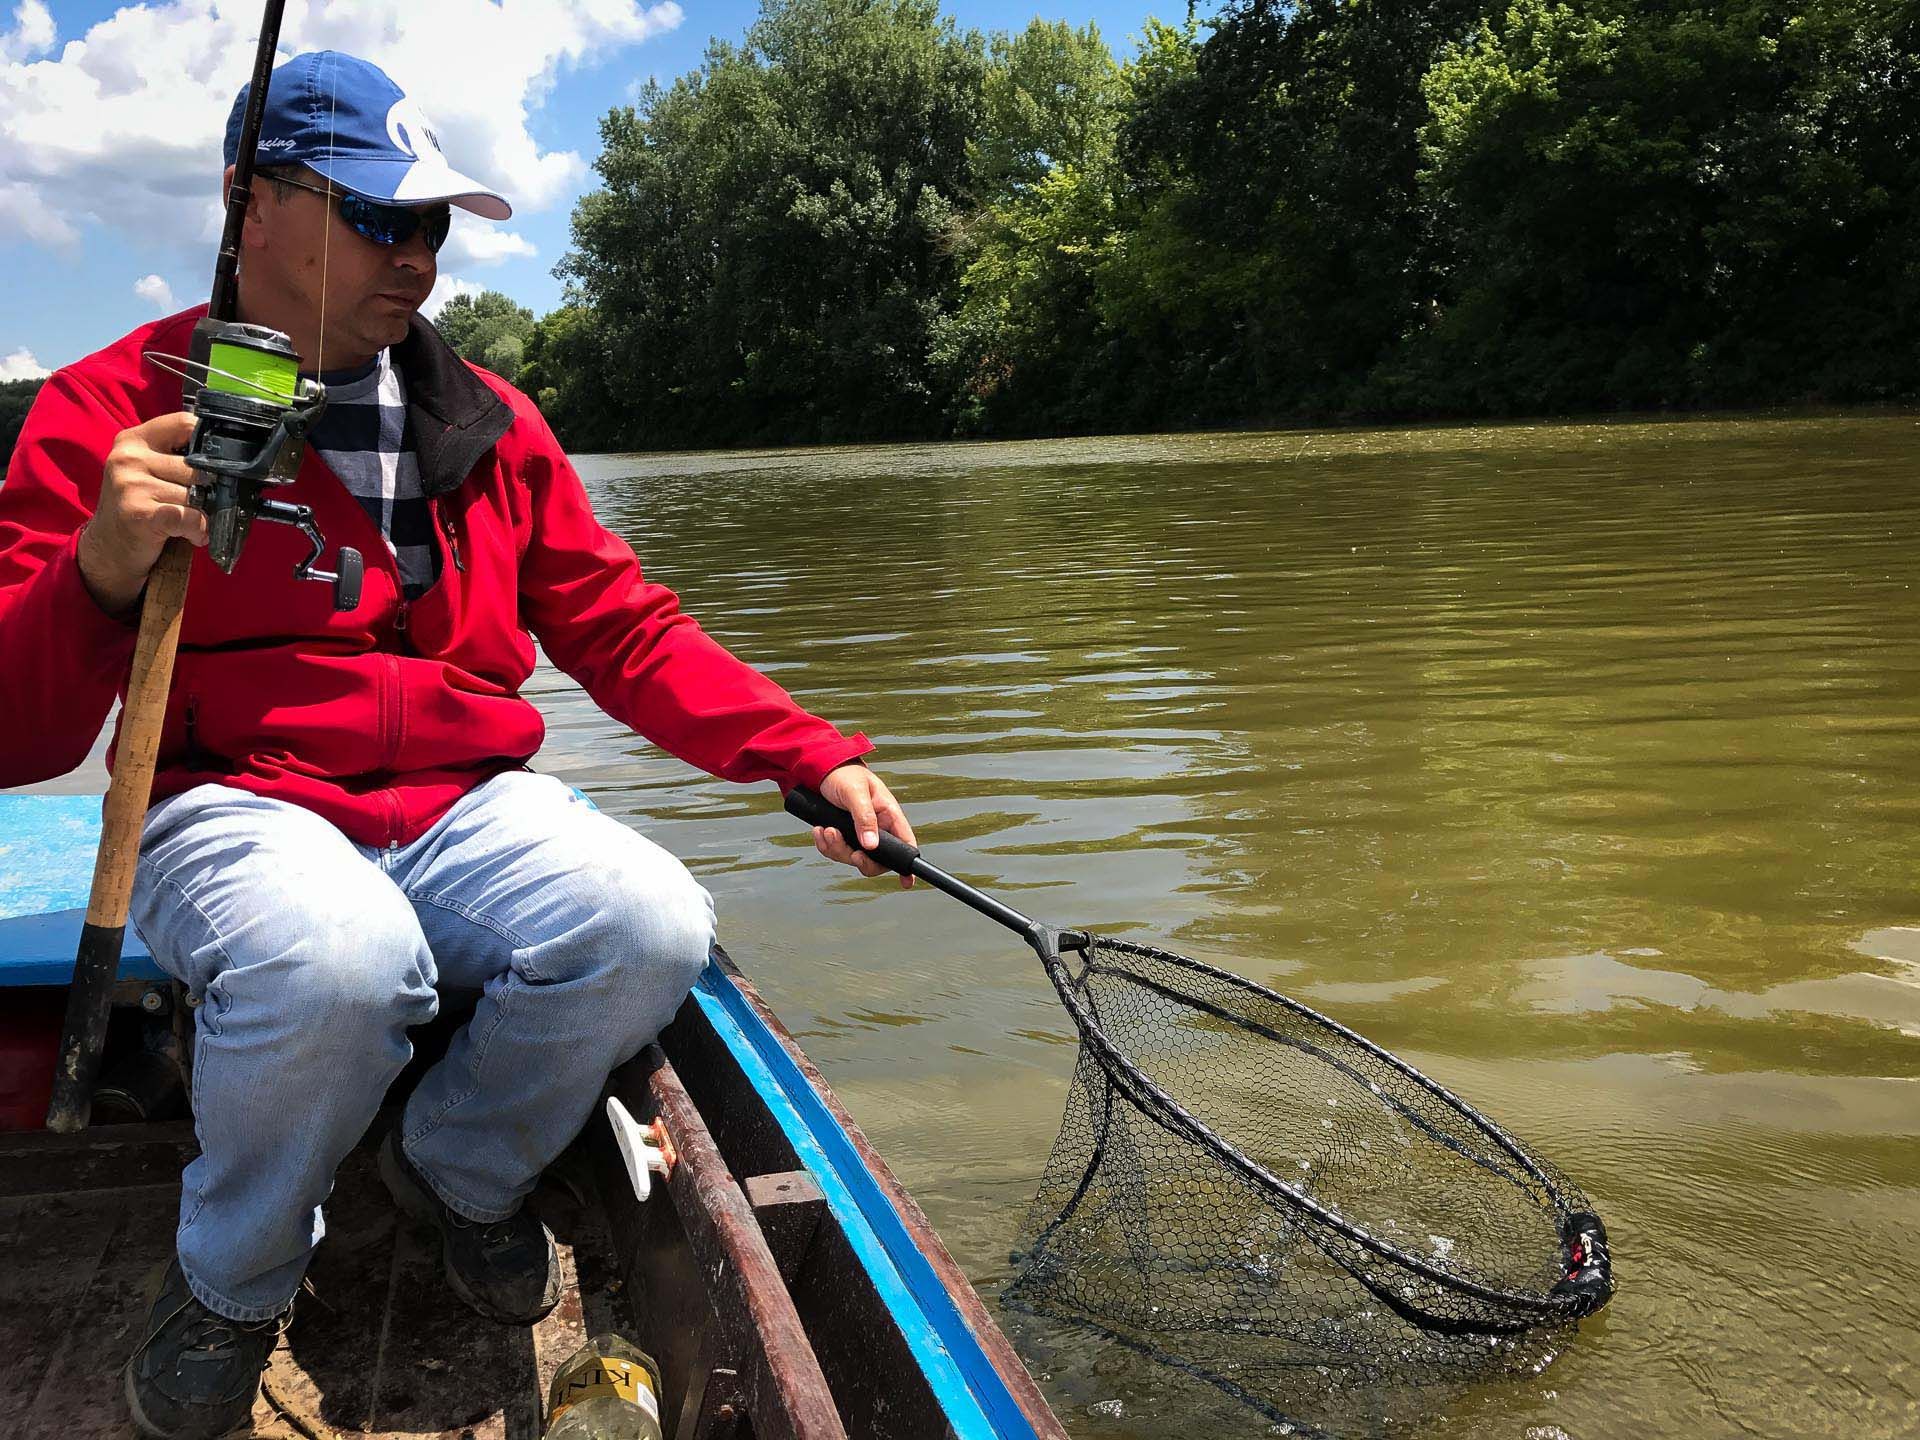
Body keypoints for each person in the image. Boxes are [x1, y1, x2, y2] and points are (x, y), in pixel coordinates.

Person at [0, 51, 912, 1440]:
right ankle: (233, 1280)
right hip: (238, 804)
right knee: (339, 964)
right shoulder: (107, 413)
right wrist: (100, 569)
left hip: (463, 800)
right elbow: (20, 736)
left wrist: (808, 755)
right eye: (378, 219)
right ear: (248, 201)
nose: (416, 260)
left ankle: (458, 1168)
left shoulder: (488, 421)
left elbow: (627, 631)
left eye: (430, 226)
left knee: (653, 924)